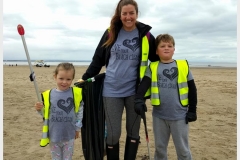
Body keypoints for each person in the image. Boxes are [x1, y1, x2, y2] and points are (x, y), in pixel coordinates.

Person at [78, 0, 159, 159]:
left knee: (133, 131)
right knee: (113, 134)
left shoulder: (146, 35)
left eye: (131, 13)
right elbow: (98, 60)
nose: (128, 17)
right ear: (119, 14)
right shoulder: (110, 32)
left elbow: (156, 62)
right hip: (111, 91)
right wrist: (84, 79)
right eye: (125, 13)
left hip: (134, 93)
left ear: (137, 14)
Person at [134, 34, 197, 160]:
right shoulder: (152, 67)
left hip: (179, 116)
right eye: (162, 46)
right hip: (159, 116)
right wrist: (138, 99)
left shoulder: (183, 65)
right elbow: (144, 85)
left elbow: (192, 89)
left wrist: (192, 110)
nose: (166, 48)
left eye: (170, 46)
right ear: (157, 51)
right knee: (160, 149)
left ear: (174, 49)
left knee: (183, 150)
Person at [35, 62, 84, 160]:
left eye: (68, 79)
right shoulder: (48, 95)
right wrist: (39, 109)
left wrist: (77, 128)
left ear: (72, 79)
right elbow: (45, 114)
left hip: (69, 134)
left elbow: (80, 111)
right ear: (55, 77)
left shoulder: (75, 93)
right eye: (61, 78)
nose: (64, 82)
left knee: (67, 158)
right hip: (54, 135)